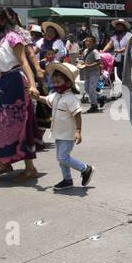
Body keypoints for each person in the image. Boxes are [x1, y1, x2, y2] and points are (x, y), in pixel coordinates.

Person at [0, 6, 40, 181]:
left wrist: (33, 85)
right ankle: (4, 163)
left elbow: (24, 62)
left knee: (20, 125)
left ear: (3, 21)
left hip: (15, 84)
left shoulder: (12, 37)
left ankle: (30, 168)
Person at [42, 62, 93, 190]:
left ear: (68, 83)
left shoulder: (70, 98)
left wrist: (78, 131)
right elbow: (47, 99)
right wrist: (35, 96)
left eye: (59, 82)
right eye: (54, 82)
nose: (56, 85)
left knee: (63, 157)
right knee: (61, 159)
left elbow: (77, 114)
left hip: (67, 134)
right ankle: (67, 180)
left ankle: (85, 168)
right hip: (58, 133)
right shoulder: (57, 95)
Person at [77, 37, 103, 112]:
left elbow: (98, 62)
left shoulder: (95, 52)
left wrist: (89, 66)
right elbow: (84, 60)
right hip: (86, 73)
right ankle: (100, 98)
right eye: (86, 41)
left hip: (94, 73)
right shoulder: (85, 51)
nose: (87, 43)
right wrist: (81, 64)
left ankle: (94, 105)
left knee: (91, 89)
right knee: (87, 89)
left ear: (94, 43)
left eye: (90, 41)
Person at [107, 19, 132, 98]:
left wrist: (120, 50)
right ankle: (129, 85)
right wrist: (102, 51)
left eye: (120, 26)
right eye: (117, 26)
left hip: (128, 57)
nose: (118, 27)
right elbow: (109, 45)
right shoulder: (114, 37)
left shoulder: (129, 35)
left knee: (124, 74)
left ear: (124, 27)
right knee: (119, 74)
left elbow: (129, 46)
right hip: (118, 57)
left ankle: (127, 89)